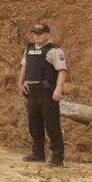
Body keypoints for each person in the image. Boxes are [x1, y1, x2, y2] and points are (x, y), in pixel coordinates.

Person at [17, 23, 68, 167]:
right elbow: (24, 68)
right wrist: (21, 84)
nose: (36, 35)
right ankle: (38, 154)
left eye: (40, 33)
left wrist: (58, 89)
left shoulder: (54, 51)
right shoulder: (29, 49)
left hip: (47, 93)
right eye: (35, 33)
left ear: (47, 35)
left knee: (52, 126)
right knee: (34, 125)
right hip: (32, 92)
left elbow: (62, 71)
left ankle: (58, 157)